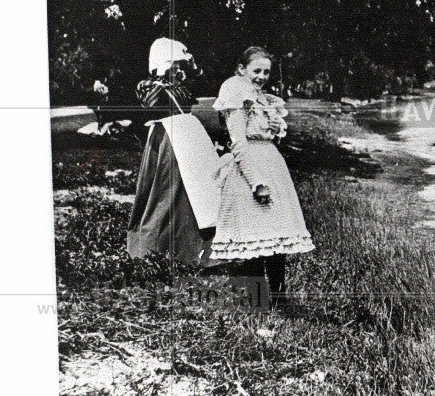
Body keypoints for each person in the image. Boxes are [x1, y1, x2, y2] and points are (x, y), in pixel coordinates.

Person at [210, 47, 315, 305]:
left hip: (272, 165)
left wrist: (273, 130)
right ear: (241, 69)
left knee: (276, 236)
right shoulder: (236, 91)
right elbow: (238, 142)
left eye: (266, 71)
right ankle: (257, 302)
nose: (261, 76)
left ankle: (280, 300)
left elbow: (264, 132)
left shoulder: (262, 98)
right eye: (256, 70)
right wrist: (256, 182)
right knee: (254, 239)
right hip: (250, 170)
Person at [127, 38, 220, 269]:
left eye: (180, 65)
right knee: (166, 190)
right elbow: (149, 104)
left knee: (195, 192)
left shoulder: (182, 85)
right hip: (168, 138)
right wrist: (162, 77)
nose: (178, 69)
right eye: (174, 64)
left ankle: (193, 246)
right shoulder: (148, 86)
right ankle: (156, 246)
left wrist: (189, 66)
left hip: (189, 138)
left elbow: (194, 90)